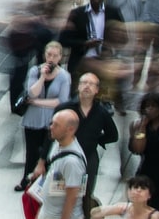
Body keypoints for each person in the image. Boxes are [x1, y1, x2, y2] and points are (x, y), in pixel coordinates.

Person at [41, 73, 118, 218]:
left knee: (84, 194)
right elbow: (51, 135)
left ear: (97, 90)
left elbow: (113, 135)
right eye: (84, 82)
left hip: (88, 157)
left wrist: (97, 140)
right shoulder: (65, 109)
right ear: (78, 86)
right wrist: (41, 160)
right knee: (58, 192)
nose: (87, 86)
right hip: (64, 155)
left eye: (91, 84)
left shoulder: (101, 112)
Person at [17, 41, 71, 192]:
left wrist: (36, 102)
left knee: (46, 153)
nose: (51, 58)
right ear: (44, 55)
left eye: (55, 55)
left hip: (51, 121)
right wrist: (42, 77)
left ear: (60, 57)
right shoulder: (35, 70)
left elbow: (61, 101)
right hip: (33, 119)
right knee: (31, 152)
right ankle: (26, 179)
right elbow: (32, 92)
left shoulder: (64, 76)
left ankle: (43, 183)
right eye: (49, 55)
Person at [90, 175, 159, 219]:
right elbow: (94, 213)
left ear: (149, 195)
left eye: (143, 188)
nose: (138, 191)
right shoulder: (124, 207)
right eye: (135, 187)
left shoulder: (154, 216)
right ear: (129, 191)